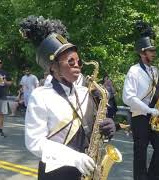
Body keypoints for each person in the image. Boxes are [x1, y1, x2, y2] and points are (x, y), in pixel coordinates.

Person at [20, 16, 116, 180]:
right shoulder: (41, 95)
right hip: (56, 172)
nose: (77, 65)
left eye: (78, 61)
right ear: (53, 66)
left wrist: (108, 128)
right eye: (70, 62)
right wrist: (74, 158)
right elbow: (35, 142)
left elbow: (92, 131)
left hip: (87, 168)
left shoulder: (85, 92)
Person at [122, 21, 159, 180]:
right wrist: (148, 110)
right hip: (140, 116)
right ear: (142, 53)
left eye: (154, 50)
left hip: (156, 117)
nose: (154, 53)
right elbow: (128, 97)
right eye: (151, 51)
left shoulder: (156, 71)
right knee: (140, 153)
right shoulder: (134, 71)